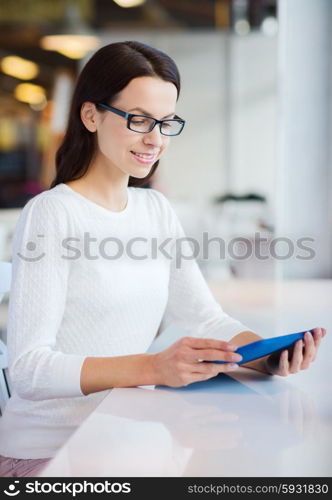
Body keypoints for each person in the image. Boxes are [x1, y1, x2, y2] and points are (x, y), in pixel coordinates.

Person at [0, 41, 326, 478]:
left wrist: (265, 356)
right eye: (139, 120)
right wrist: (153, 367)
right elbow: (28, 370)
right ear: (91, 115)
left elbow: (206, 320)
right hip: (50, 453)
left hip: (123, 437)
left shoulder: (154, 211)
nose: (155, 139)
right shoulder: (53, 213)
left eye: (166, 122)